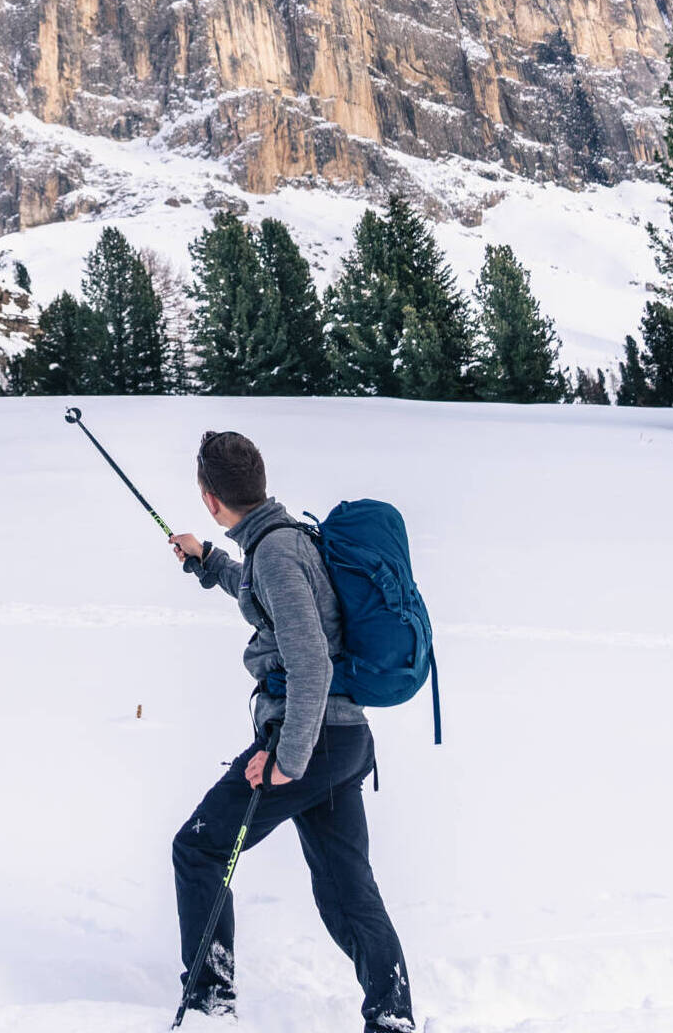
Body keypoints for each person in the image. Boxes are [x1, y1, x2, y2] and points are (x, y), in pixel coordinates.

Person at [169, 430, 413, 1032]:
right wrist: (210, 562)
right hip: (342, 740)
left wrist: (285, 761)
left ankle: (209, 1003)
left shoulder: (277, 553)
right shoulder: (283, 540)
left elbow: (311, 664)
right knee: (347, 890)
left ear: (209, 498)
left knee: (200, 848)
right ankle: (392, 1018)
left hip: (311, 740)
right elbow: (270, 600)